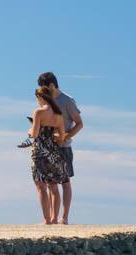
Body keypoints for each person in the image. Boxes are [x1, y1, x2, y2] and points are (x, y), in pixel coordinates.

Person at [37, 72, 83, 224]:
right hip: (49, 147)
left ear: (51, 85)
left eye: (43, 87)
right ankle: (52, 217)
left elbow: (79, 123)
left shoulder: (67, 100)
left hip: (64, 147)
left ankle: (65, 217)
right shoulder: (47, 101)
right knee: (51, 183)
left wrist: (66, 136)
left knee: (65, 181)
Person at [29, 86, 68, 224]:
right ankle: (54, 219)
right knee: (54, 185)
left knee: (40, 186)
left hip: (39, 150)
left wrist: (30, 130)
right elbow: (62, 137)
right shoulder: (58, 115)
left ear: (40, 97)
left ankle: (46, 219)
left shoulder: (38, 112)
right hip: (53, 151)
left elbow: (34, 134)